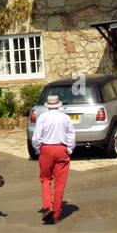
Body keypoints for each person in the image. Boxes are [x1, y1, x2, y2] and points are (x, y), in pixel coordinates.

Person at [31, 92, 74, 224]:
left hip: (46, 149)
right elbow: (71, 135)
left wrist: (39, 150)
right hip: (61, 148)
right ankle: (57, 213)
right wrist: (69, 149)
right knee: (60, 183)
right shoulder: (65, 118)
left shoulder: (43, 117)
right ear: (58, 105)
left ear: (48, 105)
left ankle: (48, 205)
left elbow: (36, 138)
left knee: (45, 179)